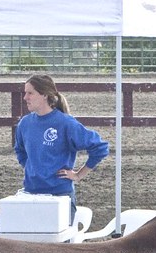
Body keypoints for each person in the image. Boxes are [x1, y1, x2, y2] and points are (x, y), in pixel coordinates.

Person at [13, 73, 109, 222]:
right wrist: (30, 167)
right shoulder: (24, 123)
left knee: (58, 244)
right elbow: (19, 150)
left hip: (60, 197)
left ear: (44, 95)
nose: (25, 97)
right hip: (30, 195)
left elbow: (100, 148)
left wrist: (78, 175)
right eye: (25, 93)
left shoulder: (66, 123)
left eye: (30, 93)